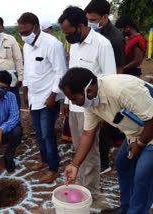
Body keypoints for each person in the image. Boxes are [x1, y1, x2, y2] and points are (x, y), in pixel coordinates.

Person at [61, 67, 153, 214]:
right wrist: (75, 165)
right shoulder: (89, 103)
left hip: (150, 127)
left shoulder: (120, 90)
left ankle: (137, 211)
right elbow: (87, 134)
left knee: (144, 174)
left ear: (88, 90)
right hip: (138, 132)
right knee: (123, 163)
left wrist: (140, 144)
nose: (73, 103)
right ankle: (126, 207)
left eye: (73, 98)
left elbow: (151, 119)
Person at [58, 6, 116, 198]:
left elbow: (110, 80)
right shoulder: (74, 45)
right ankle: (82, 183)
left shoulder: (102, 45)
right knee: (79, 148)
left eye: (69, 32)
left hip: (93, 108)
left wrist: (104, 114)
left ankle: (90, 192)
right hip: (75, 107)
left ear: (81, 26)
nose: (67, 37)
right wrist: (66, 101)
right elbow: (70, 77)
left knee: (90, 152)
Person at [17, 13, 67, 183]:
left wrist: (53, 96)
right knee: (38, 132)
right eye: (21, 33)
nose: (23, 36)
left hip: (48, 98)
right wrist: (25, 87)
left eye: (26, 32)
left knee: (48, 134)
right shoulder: (27, 45)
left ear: (36, 28)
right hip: (33, 97)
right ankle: (44, 160)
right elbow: (28, 69)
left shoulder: (53, 44)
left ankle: (53, 168)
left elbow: (61, 72)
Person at [85, 0, 126, 174]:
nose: (90, 23)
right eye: (88, 19)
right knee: (93, 128)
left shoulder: (115, 38)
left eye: (93, 20)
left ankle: (103, 162)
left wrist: (111, 97)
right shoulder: (92, 34)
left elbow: (119, 69)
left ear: (104, 17)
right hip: (93, 87)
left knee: (105, 127)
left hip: (108, 87)